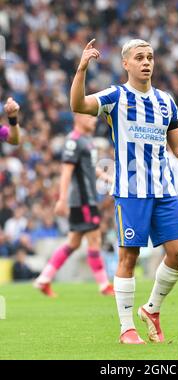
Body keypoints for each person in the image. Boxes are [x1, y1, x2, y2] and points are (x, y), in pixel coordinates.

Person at [70, 39, 178, 344]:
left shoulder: (166, 101)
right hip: (130, 190)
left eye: (150, 57)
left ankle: (151, 309)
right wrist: (82, 68)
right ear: (126, 64)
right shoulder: (115, 96)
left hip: (164, 189)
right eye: (139, 57)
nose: (146, 62)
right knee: (129, 256)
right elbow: (78, 105)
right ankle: (127, 329)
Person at [34, 113, 114, 297]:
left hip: (87, 199)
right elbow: (66, 171)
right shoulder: (73, 141)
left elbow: (89, 166)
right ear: (78, 118)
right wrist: (62, 199)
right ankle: (104, 285)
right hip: (82, 200)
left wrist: (105, 177)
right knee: (94, 240)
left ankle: (44, 279)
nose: (94, 120)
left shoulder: (87, 141)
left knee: (74, 242)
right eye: (90, 117)